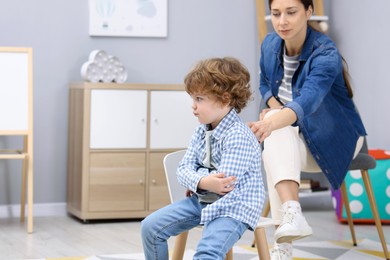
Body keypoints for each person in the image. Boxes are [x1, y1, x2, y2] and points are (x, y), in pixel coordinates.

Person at [248, 0, 367, 259]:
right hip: (295, 136)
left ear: (308, 12)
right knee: (275, 141)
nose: (282, 21)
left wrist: (271, 121)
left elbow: (308, 101)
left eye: (291, 13)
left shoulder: (325, 52)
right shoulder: (269, 44)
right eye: (276, 14)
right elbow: (264, 83)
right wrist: (274, 108)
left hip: (338, 137)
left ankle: (284, 245)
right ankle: (291, 219)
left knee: (274, 136)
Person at [141, 57, 265, 259]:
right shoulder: (201, 131)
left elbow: (224, 183)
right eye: (193, 99)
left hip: (232, 207)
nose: (193, 106)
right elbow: (182, 170)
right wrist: (203, 181)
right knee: (150, 228)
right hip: (203, 200)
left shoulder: (239, 135)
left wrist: (197, 178)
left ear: (225, 99)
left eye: (199, 99)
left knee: (207, 253)